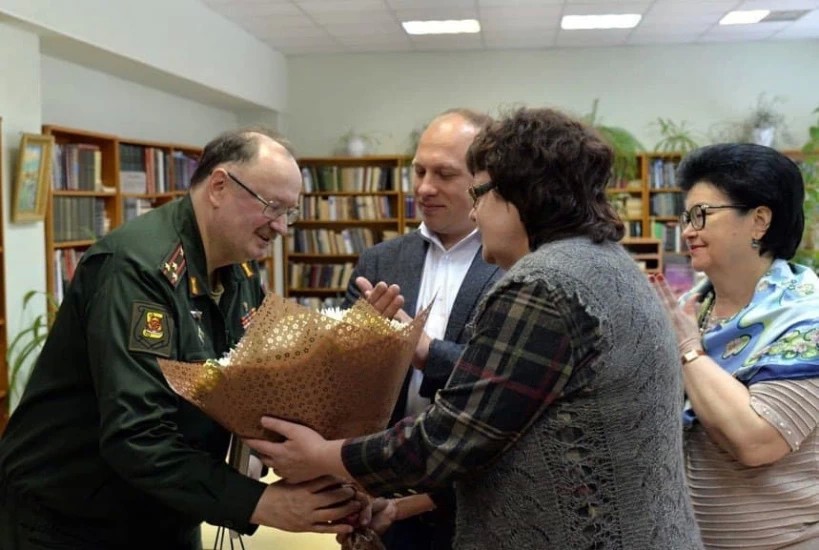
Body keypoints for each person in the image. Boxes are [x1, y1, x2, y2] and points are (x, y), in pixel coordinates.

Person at [246, 107, 704, 549]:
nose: (475, 213)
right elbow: (512, 435)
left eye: (480, 194)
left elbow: (448, 438)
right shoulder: (607, 262)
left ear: (521, 196)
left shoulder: (546, 284)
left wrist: (322, 456)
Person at [0, 129, 363, 550]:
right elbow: (137, 435)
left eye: (290, 212)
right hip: (73, 517)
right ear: (220, 187)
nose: (281, 227)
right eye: (272, 207)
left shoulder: (239, 270)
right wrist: (261, 503)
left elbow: (258, 378)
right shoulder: (138, 269)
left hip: (169, 506)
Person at [342, 108, 502, 550]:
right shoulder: (380, 262)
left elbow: (504, 382)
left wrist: (422, 349)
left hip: (478, 501)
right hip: (383, 496)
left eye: (445, 174)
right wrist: (356, 341)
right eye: (419, 170)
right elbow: (339, 375)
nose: (424, 187)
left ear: (484, 179)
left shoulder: (513, 263)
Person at [651, 143, 819, 549]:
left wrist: (688, 348)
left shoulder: (806, 314)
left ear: (759, 220)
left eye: (701, 215)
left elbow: (757, 439)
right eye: (686, 216)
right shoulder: (699, 305)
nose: (688, 230)